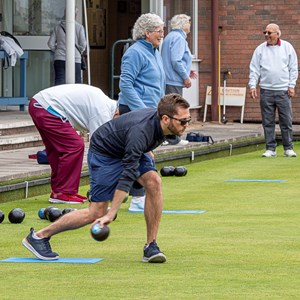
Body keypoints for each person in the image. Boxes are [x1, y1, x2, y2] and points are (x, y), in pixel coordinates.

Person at [22, 93, 192, 263]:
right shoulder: (140, 133)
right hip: (105, 154)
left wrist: (147, 149)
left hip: (128, 147)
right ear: (165, 119)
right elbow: (127, 174)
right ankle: (39, 237)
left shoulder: (163, 128)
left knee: (154, 181)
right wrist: (111, 213)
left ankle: (151, 246)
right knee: (96, 212)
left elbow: (138, 141)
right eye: (183, 121)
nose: (186, 124)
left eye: (188, 119)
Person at [28, 84, 118, 204]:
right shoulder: (102, 113)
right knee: (74, 146)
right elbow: (99, 149)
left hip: (38, 103)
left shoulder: (104, 103)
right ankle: (64, 192)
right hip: (47, 106)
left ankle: (58, 192)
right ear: (117, 114)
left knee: (57, 149)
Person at [248, 23, 298, 158]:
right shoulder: (260, 49)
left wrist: (291, 85)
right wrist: (252, 85)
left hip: (283, 90)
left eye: (269, 33)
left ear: (277, 33)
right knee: (267, 121)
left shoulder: (287, 47)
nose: (266, 35)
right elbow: (254, 69)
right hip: (266, 90)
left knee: (286, 121)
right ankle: (270, 148)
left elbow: (293, 68)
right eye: (265, 32)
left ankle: (288, 148)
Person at [48, 8, 87, 85]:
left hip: (59, 58)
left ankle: (59, 97)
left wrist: (57, 50)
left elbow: (50, 43)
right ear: (75, 15)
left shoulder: (58, 27)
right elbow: (83, 45)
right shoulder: (79, 27)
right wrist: (79, 51)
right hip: (75, 58)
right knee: (76, 83)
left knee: (60, 82)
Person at [161, 14, 197, 96]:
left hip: (168, 80)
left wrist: (186, 70)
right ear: (183, 24)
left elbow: (171, 59)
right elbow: (176, 61)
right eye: (189, 22)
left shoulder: (170, 36)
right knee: (175, 107)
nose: (190, 24)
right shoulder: (178, 38)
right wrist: (185, 77)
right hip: (173, 81)